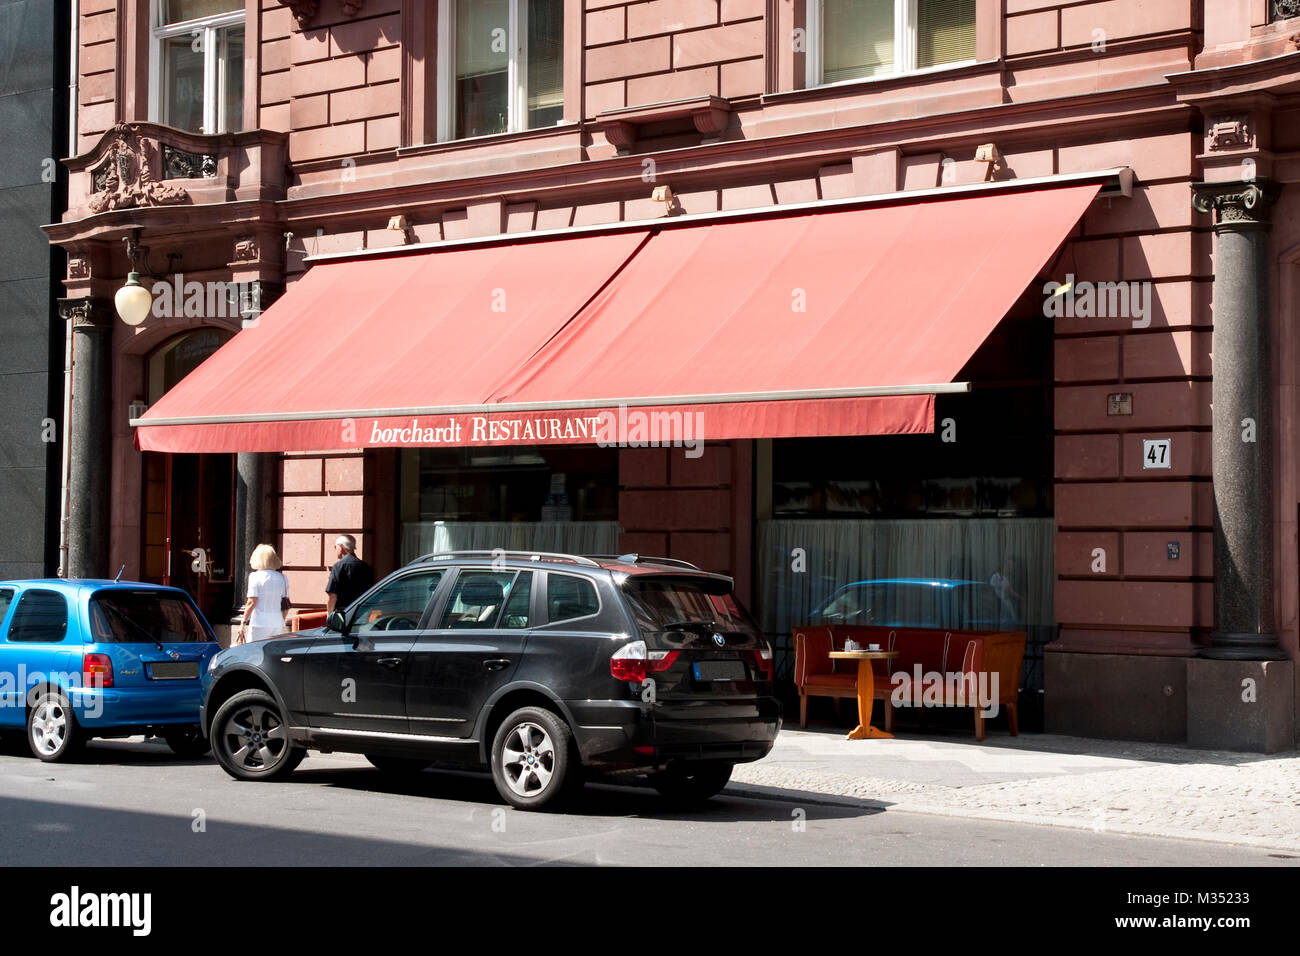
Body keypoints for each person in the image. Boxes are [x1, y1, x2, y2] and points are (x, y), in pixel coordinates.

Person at [237, 543, 290, 644]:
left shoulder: (254, 576)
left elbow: (251, 602)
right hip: (277, 622)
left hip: (259, 622)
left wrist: (243, 623)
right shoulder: (283, 578)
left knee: (253, 651)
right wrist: (281, 619)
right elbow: (286, 604)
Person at [326, 534, 374, 613]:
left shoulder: (338, 566)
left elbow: (332, 595)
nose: (335, 549)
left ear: (341, 547)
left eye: (335, 547)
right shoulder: (365, 566)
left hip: (343, 614)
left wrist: (329, 617)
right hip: (362, 612)